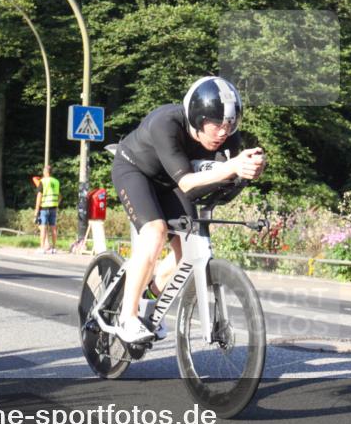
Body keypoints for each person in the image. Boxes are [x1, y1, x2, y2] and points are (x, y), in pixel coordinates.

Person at [111, 76, 266, 343]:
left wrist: (247, 172)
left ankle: (149, 298)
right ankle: (127, 316)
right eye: (216, 124)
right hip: (135, 170)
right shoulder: (167, 123)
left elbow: (215, 182)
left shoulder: (228, 137)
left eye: (229, 124)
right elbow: (186, 182)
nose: (223, 132)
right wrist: (230, 168)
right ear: (196, 117)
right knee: (155, 232)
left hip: (170, 182)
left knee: (189, 250)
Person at [34, 165, 60, 254]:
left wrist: (36, 211)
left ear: (45, 172)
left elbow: (39, 197)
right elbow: (60, 196)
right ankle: (54, 248)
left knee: (43, 227)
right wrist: (57, 204)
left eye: (43, 171)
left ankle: (42, 248)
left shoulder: (43, 181)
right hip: (53, 207)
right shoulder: (56, 182)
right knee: (53, 228)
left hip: (44, 207)